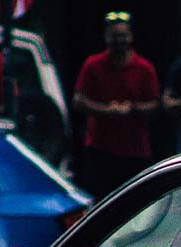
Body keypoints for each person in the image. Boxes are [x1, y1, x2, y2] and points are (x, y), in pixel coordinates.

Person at [73, 11, 160, 200]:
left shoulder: (144, 68)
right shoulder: (93, 65)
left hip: (134, 151)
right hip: (100, 149)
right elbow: (78, 101)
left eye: (123, 35)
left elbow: (154, 105)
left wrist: (132, 109)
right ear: (106, 38)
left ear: (131, 37)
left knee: (133, 201)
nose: (119, 40)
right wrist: (106, 110)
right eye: (114, 36)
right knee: (98, 200)